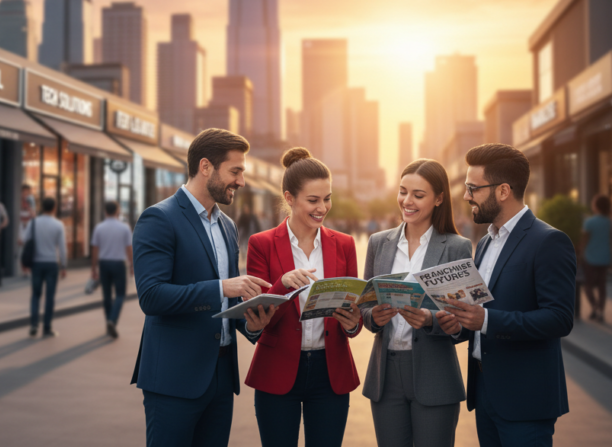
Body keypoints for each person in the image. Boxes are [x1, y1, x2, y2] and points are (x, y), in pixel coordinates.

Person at [132, 128, 275, 447]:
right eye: (235, 171)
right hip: (173, 381)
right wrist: (222, 287)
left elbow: (229, 303)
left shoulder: (227, 225)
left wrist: (251, 324)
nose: (241, 181)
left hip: (221, 380)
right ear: (206, 167)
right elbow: (152, 296)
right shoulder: (158, 219)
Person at [435, 144, 575, 447]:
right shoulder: (485, 243)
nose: (466, 195)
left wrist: (485, 320)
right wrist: (458, 324)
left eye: (473, 188)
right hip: (486, 394)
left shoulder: (549, 241)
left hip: (525, 401)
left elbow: (560, 319)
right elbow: (481, 313)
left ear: (503, 191)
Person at [244, 147, 363, 447]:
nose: (322, 207)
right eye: (313, 200)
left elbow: (354, 316)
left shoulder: (345, 244)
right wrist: (281, 285)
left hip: (330, 372)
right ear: (289, 198)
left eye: (327, 198)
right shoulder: (261, 244)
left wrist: (352, 323)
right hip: (277, 368)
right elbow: (257, 319)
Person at [361, 159, 472, 447]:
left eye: (418, 195)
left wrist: (430, 320)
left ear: (439, 199)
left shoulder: (457, 247)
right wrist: (375, 316)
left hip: (435, 375)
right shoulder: (378, 243)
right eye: (402, 191)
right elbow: (365, 306)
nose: (407, 201)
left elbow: (465, 319)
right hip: (386, 377)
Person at [21, 197, 66, 337]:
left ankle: (34, 324)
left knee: (35, 295)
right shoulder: (58, 224)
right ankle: (47, 327)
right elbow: (62, 248)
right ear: (54, 208)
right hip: (52, 263)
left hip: (37, 263)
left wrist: (24, 262)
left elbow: (24, 240)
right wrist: (64, 265)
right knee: (50, 296)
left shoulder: (33, 222)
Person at [90, 201, 133, 338]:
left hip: (104, 264)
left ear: (105, 211)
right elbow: (129, 248)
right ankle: (112, 320)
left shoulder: (99, 227)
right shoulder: (124, 227)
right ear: (117, 211)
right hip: (119, 264)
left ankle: (109, 321)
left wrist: (93, 268)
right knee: (120, 294)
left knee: (107, 296)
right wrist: (132, 264)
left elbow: (95, 249)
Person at [581, 194, 610, 322]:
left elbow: (584, 240)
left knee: (588, 286)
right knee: (602, 286)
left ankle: (594, 307)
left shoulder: (589, 222)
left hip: (590, 257)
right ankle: (601, 312)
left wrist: (580, 254)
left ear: (596, 206)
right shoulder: (609, 222)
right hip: (605, 258)